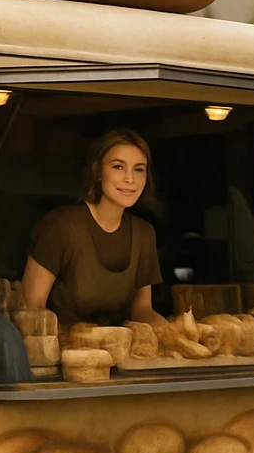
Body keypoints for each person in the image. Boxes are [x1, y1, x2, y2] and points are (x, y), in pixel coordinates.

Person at [20, 128, 166, 327]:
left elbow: (142, 310)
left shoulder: (144, 233)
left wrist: (170, 333)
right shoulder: (61, 226)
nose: (130, 179)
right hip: (63, 352)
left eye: (139, 169)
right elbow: (32, 307)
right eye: (118, 167)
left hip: (120, 351)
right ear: (97, 172)